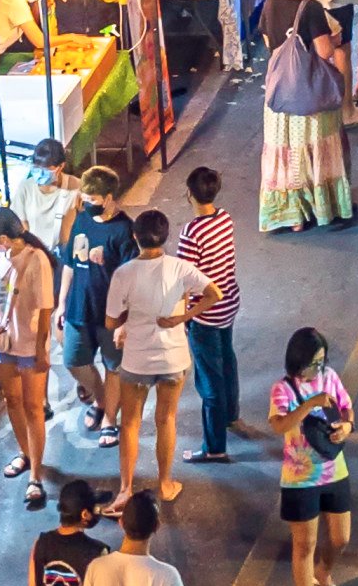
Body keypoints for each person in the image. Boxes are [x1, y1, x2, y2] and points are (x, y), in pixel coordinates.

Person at [106, 208, 204, 506]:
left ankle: (125, 489)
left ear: (135, 237)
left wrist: (126, 322)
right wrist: (184, 318)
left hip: (137, 360)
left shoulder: (124, 274)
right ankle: (165, 483)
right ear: (165, 237)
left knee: (130, 423)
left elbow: (111, 322)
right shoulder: (181, 268)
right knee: (167, 419)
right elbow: (214, 293)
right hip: (173, 358)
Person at [257, 0, 354, 234]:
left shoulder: (270, 3)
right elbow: (324, 51)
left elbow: (268, 40)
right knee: (310, 149)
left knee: (286, 153)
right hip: (308, 94)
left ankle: (293, 215)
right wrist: (336, 38)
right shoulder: (310, 8)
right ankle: (319, 208)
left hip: (280, 91)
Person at [270, 329, 354, 586]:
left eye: (322, 362)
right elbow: (280, 426)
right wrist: (309, 404)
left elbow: (345, 407)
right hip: (300, 477)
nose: (319, 369)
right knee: (304, 545)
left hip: (334, 469)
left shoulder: (330, 376)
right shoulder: (282, 389)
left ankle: (324, 573)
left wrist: (347, 426)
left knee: (340, 538)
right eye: (313, 364)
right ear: (297, 361)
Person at [0, 208, 58, 507]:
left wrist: (41, 351)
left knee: (33, 407)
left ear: (3, 238)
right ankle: (26, 454)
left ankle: (35, 476)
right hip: (5, 343)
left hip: (28, 344)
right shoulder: (0, 259)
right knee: (12, 401)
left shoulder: (36, 260)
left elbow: (46, 308)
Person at [53, 164, 134, 442]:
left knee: (114, 367)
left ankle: (110, 419)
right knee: (74, 361)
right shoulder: (82, 221)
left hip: (110, 315)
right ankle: (100, 400)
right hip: (78, 308)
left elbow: (130, 278)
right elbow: (69, 264)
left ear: (110, 197)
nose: (87, 205)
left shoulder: (124, 230)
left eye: (93, 200)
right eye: (85, 200)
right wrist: (61, 303)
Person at [176, 168, 241, 463]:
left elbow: (185, 280)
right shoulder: (224, 218)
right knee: (226, 358)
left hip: (205, 313)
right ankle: (230, 414)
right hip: (229, 302)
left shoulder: (191, 233)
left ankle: (214, 447)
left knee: (209, 380)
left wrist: (183, 315)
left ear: (190, 194)